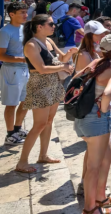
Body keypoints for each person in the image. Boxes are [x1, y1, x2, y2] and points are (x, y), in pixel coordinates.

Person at [73, 34, 111, 214]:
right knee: (94, 166)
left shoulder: (96, 63)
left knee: (108, 154)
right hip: (97, 119)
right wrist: (103, 110)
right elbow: (107, 93)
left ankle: (101, 197)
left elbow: (75, 78)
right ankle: (90, 208)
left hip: (83, 116)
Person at [15, 14, 76, 174]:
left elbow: (61, 58)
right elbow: (41, 68)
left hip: (53, 84)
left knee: (48, 121)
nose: (54, 26)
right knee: (39, 124)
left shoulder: (48, 41)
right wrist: (63, 67)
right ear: (39, 26)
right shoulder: (31, 45)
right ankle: (22, 162)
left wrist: (70, 53)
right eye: (51, 24)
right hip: (40, 86)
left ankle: (43, 155)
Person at [72, 20, 109, 197]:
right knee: (99, 151)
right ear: (90, 35)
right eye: (99, 33)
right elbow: (88, 78)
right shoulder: (84, 55)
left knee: (94, 150)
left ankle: (87, 184)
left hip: (94, 103)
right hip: (90, 105)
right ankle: (92, 191)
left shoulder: (93, 51)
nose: (102, 35)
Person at [0, 1, 30, 146]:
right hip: (11, 70)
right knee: (12, 103)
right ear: (12, 14)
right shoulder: (5, 32)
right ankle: (10, 134)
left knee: (26, 101)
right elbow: (0, 56)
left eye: (26, 12)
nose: (25, 15)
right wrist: (23, 59)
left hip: (25, 70)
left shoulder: (24, 29)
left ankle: (18, 128)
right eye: (22, 12)